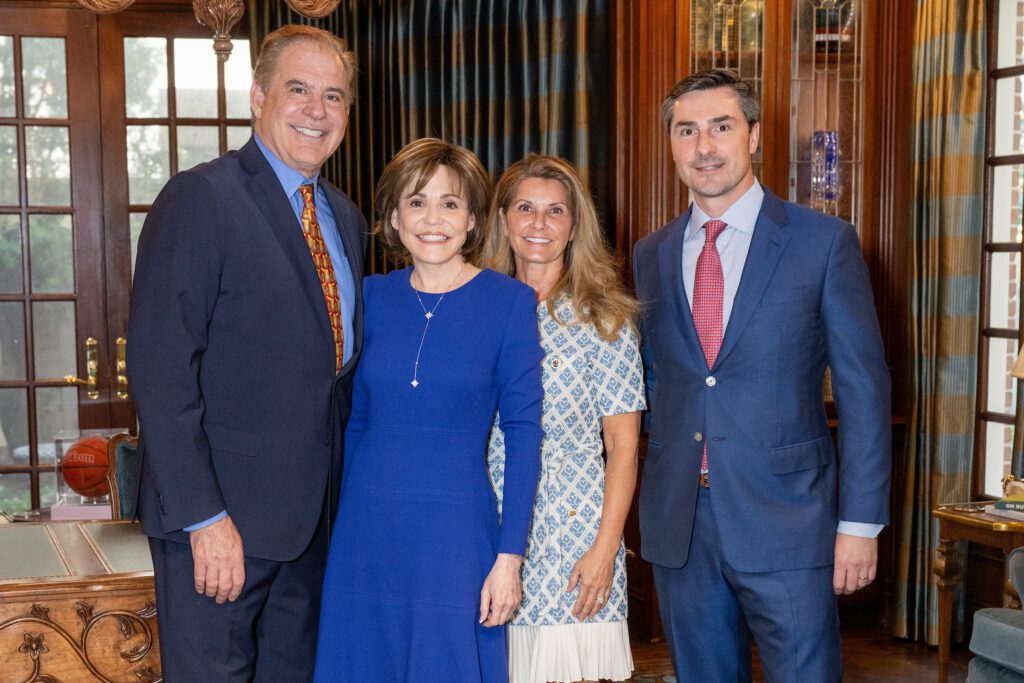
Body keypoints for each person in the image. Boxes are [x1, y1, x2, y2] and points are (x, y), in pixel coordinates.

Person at [632, 68, 891, 681]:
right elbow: (652, 384)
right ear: (671, 143)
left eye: (721, 127)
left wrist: (859, 524)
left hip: (790, 523)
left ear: (753, 136)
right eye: (686, 131)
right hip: (681, 529)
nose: (704, 147)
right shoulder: (650, 255)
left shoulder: (823, 243)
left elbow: (864, 388)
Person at [127, 25, 366, 681]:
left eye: (335, 96)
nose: (318, 110)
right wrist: (205, 518)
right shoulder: (203, 198)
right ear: (258, 95)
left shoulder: (344, 217)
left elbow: (329, 377)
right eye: (299, 89)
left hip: (309, 528)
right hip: (220, 530)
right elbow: (161, 371)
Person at [313, 138, 544, 682]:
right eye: (417, 202)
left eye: (450, 203)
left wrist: (509, 557)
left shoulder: (510, 303)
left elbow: (524, 434)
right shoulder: (368, 296)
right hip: (365, 534)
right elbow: (358, 421)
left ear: (472, 220)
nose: (432, 218)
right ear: (394, 218)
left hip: (456, 537)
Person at [483, 154, 645, 683]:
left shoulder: (606, 319)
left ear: (575, 226)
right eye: (525, 208)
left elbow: (622, 447)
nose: (538, 223)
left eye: (556, 211)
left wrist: (604, 549)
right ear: (502, 219)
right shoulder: (471, 310)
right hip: (488, 530)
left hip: (578, 538)